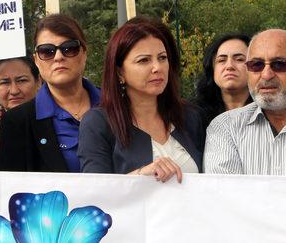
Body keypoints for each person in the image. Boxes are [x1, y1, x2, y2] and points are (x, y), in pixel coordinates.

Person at [78, 18, 204, 183]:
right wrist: (141, 175)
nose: (157, 67)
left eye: (162, 58)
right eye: (144, 60)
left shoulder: (190, 116)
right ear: (119, 73)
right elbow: (94, 190)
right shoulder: (98, 123)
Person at [0, 14, 101, 173]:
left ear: (84, 53)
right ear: (37, 60)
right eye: (47, 51)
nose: (58, 57)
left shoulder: (119, 105)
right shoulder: (17, 122)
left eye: (69, 48)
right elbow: (11, 192)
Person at [204, 29, 286, 175]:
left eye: (279, 64)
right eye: (256, 65)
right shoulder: (225, 127)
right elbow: (225, 194)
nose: (266, 75)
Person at [0, 56, 41, 147]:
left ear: (38, 82)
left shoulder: (55, 127)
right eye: (5, 82)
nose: (14, 91)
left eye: (22, 80)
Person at [193, 34, 252, 127]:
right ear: (212, 68)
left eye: (239, 59)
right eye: (221, 60)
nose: (229, 66)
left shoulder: (270, 113)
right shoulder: (193, 116)